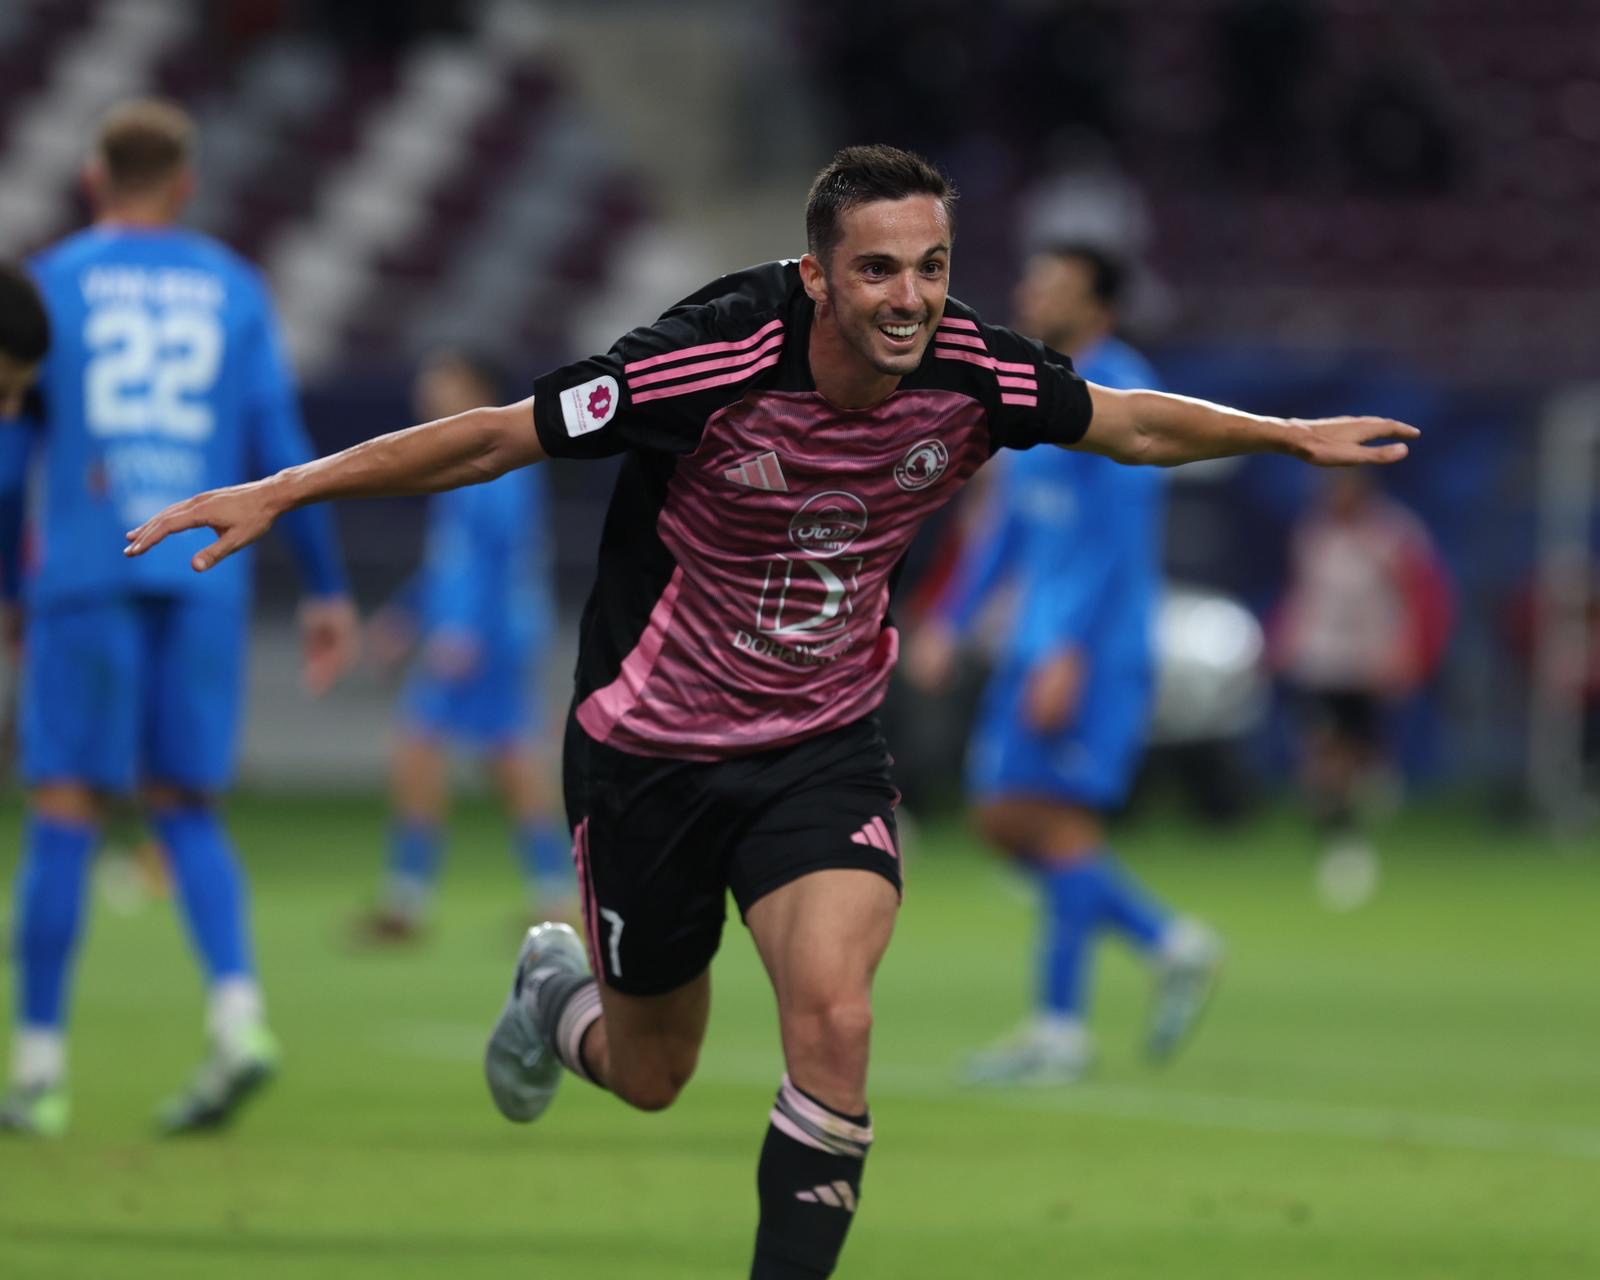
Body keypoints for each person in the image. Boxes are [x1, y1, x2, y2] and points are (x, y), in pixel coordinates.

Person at [124, 145, 1414, 1278]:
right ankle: (553, 992)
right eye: (877, 269)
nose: (910, 297)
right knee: (652, 1072)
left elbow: (1124, 424)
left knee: (837, 1021)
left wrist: (1285, 435)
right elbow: (497, 437)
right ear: (816, 276)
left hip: (817, 744)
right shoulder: (707, 359)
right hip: (650, 748)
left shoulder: (973, 369)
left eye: (931, 266)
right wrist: (284, 489)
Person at [0, 100, 359, 1138]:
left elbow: (14, 453)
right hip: (205, 571)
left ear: (92, 176)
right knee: (186, 804)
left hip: (87, 565)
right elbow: (279, 446)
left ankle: (37, 1071)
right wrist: (326, 586)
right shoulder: (233, 286)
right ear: (186, 183)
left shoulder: (52, 283)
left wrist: (14, 589)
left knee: (66, 808)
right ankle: (238, 1020)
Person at [905, 244, 1220, 1085]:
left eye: (1054, 285)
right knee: (1003, 817)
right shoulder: (1030, 386)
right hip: (1035, 644)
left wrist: (1070, 651)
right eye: (1034, 280)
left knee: (1051, 822)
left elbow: (1118, 542)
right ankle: (1168, 943)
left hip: (1092, 651)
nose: (1033, 293)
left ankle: (1060, 1029)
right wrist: (950, 620)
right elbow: (1007, 526)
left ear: (1099, 308)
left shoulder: (1126, 392)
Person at [355, 348, 574, 941]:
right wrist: (407, 616)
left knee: (430, 750)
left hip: (486, 638)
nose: (427, 389)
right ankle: (552, 892)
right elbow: (452, 563)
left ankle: (408, 898)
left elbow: (507, 561)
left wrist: (468, 632)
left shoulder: (501, 460)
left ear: (475, 388)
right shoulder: (461, 459)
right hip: (481, 634)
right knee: (505, 757)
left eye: (442, 380)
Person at [1274, 469, 1451, 909]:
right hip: (1322, 662)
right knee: (1323, 750)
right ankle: (1341, 839)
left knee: (1361, 755)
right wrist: (1285, 637)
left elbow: (1419, 595)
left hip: (1368, 662)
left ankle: (1364, 797)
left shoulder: (1393, 534)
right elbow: (1305, 593)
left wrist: (1409, 652)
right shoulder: (1314, 533)